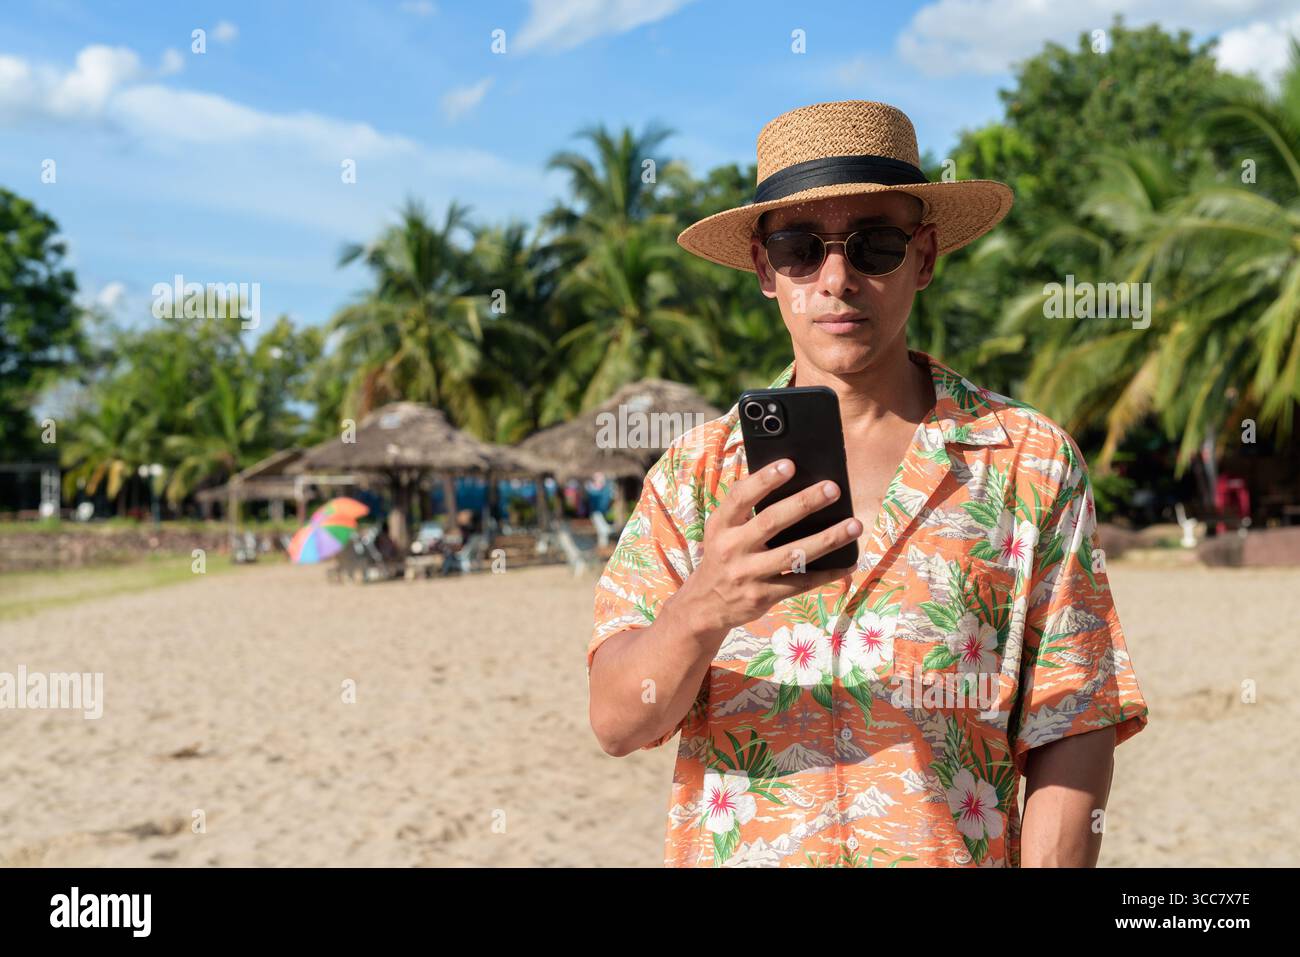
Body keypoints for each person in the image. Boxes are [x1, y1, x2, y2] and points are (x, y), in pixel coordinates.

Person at [586, 101, 1150, 868]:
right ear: (763, 269)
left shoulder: (1028, 461)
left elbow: (1073, 718)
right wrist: (701, 608)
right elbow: (617, 722)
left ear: (924, 258)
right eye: (799, 247)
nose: (836, 277)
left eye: (874, 245)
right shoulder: (692, 478)